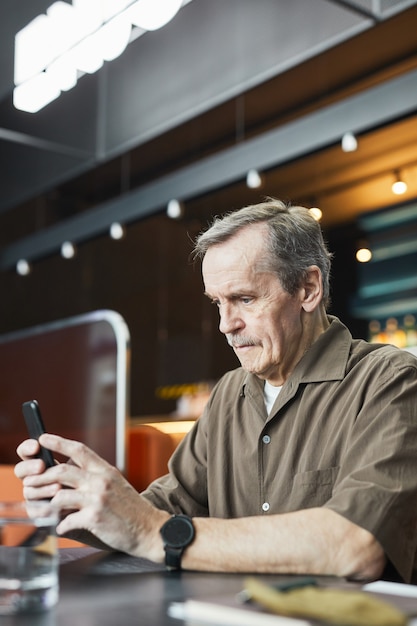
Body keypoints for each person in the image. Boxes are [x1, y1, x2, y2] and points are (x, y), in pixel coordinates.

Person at [15, 198, 417, 582]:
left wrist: (153, 530)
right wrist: (80, 505)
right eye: (217, 303)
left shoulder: (389, 381)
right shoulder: (229, 394)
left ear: (308, 289)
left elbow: (357, 544)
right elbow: (158, 512)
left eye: (244, 299)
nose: (226, 324)